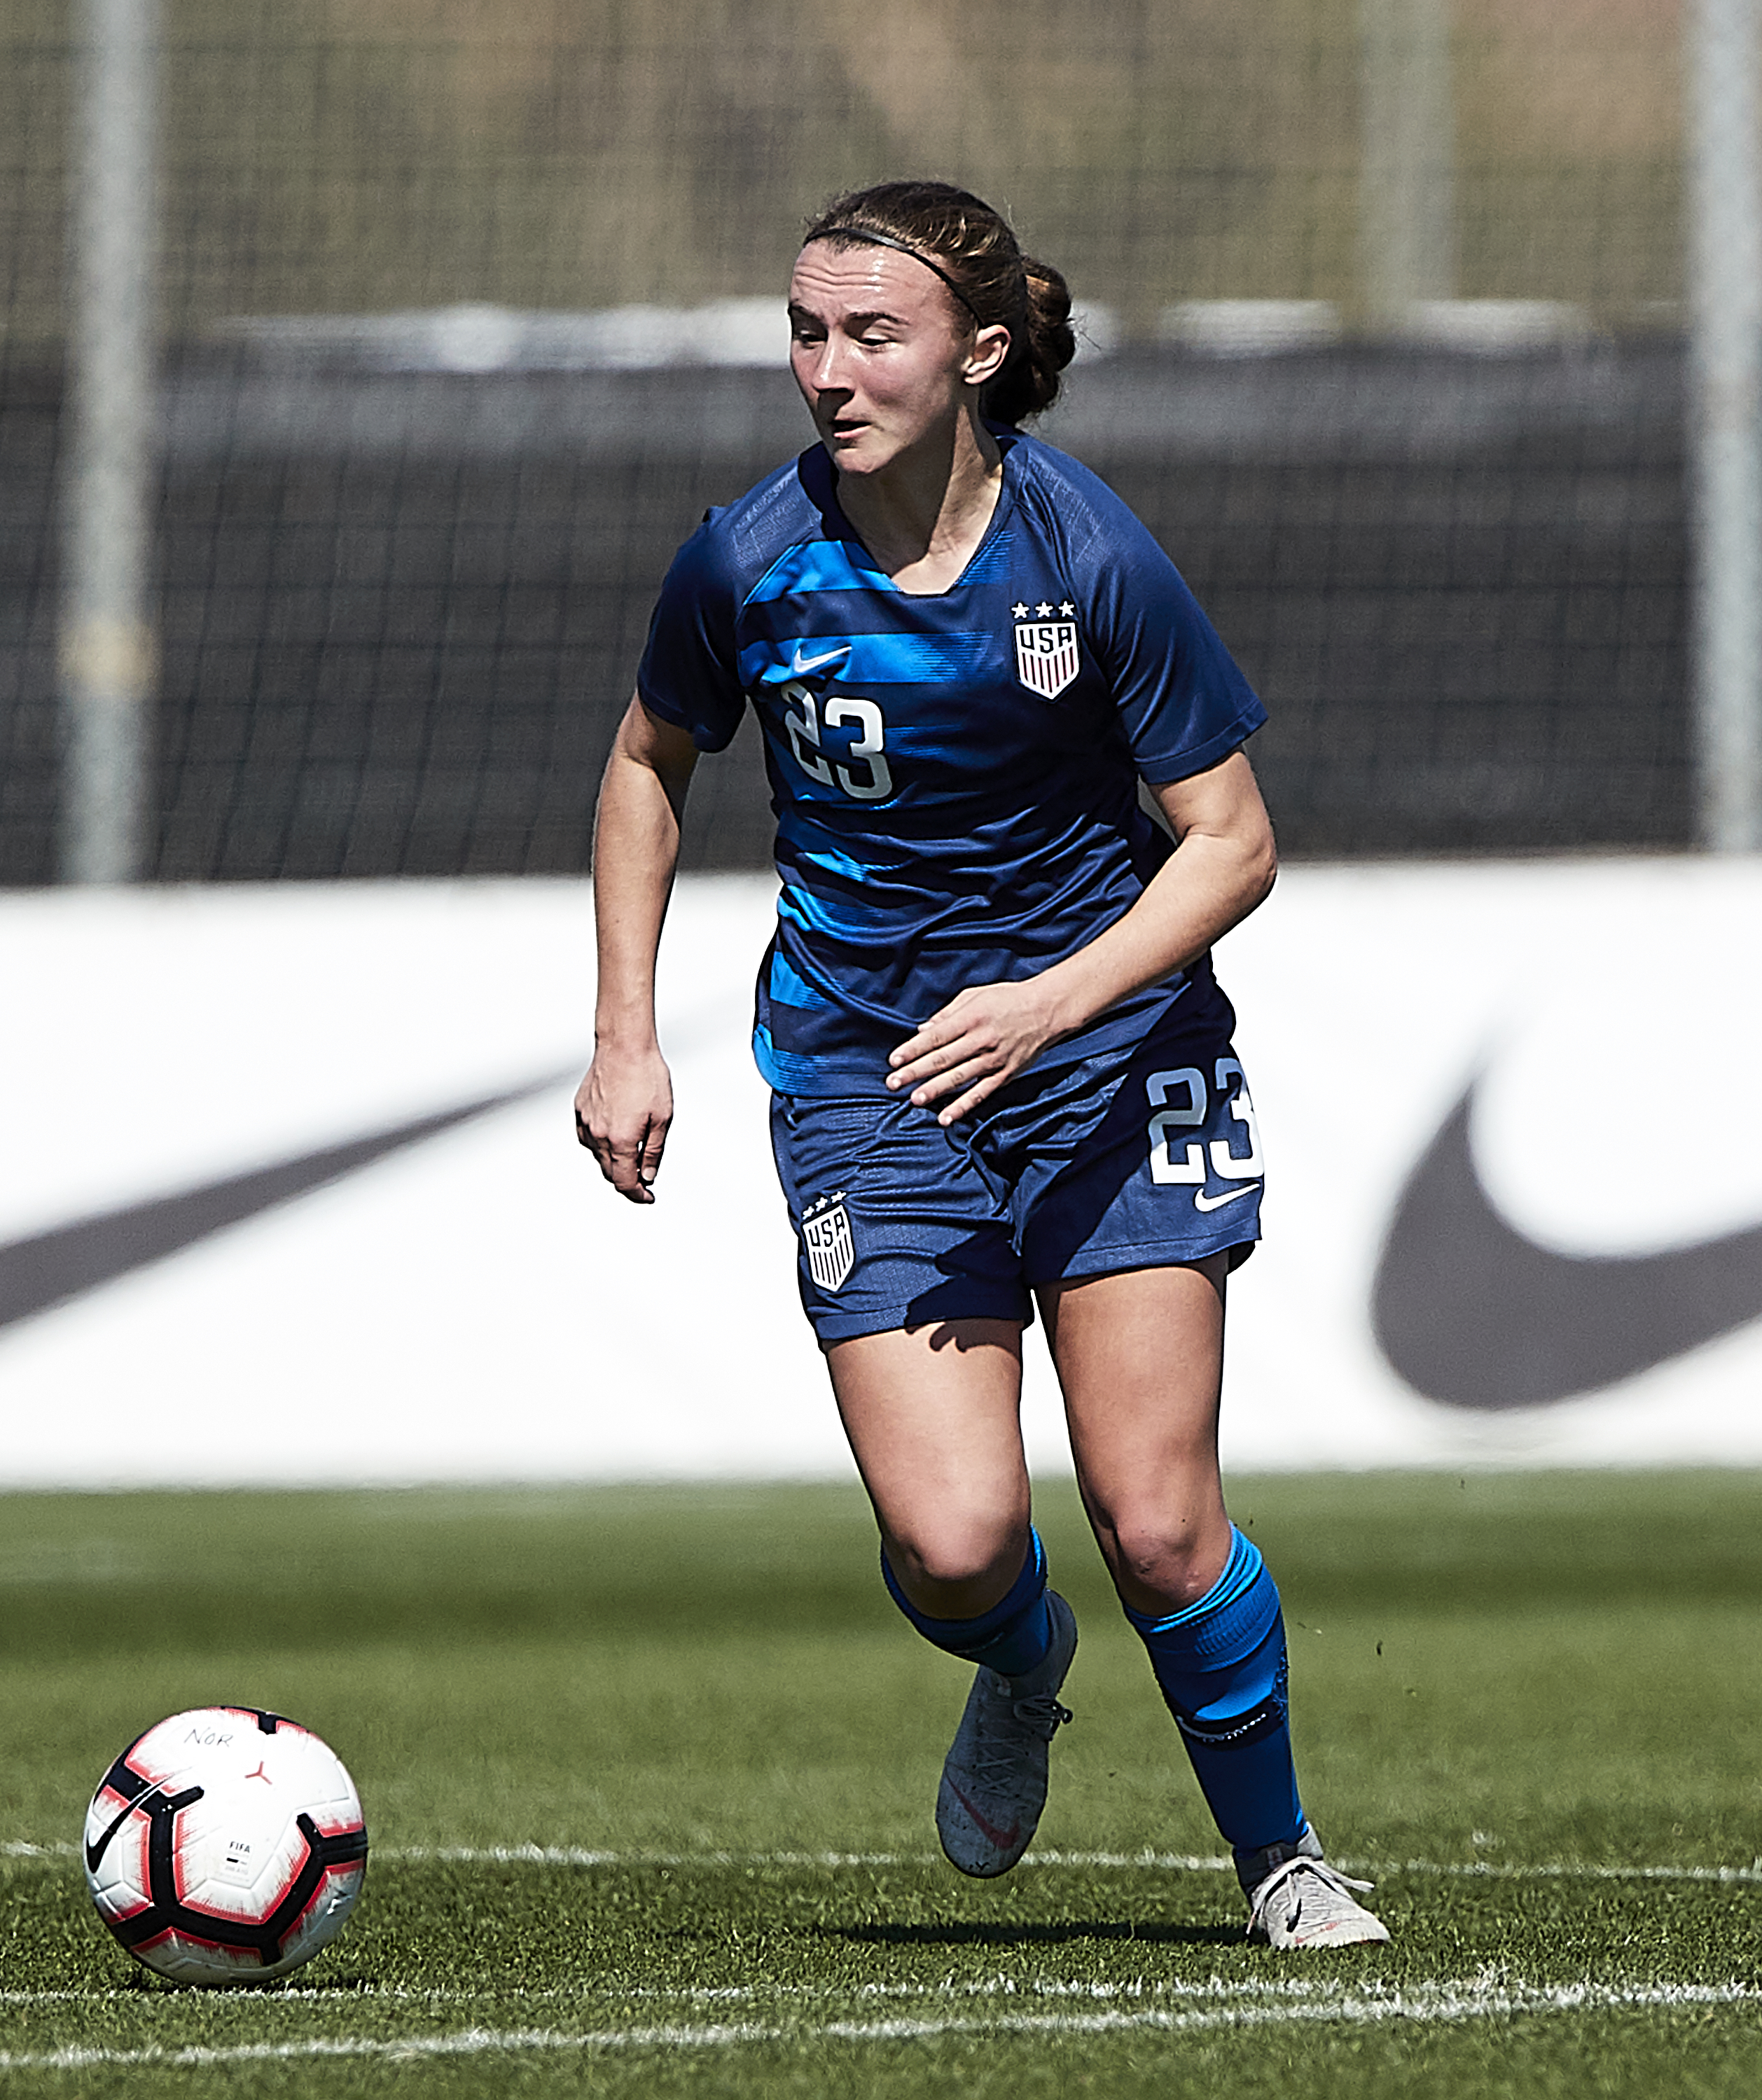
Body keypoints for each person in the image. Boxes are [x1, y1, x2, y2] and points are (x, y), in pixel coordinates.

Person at [572, 180, 1387, 1950]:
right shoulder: (741, 558)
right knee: (953, 1543)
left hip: (1106, 1059)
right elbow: (648, 761)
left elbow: (1230, 841)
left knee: (1158, 1522)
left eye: (872, 334)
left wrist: (1054, 1000)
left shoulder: (1085, 554)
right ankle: (1021, 1664)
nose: (826, 370)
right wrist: (625, 1028)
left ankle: (1282, 1860)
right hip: (869, 1076)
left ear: (978, 352)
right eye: (806, 331)